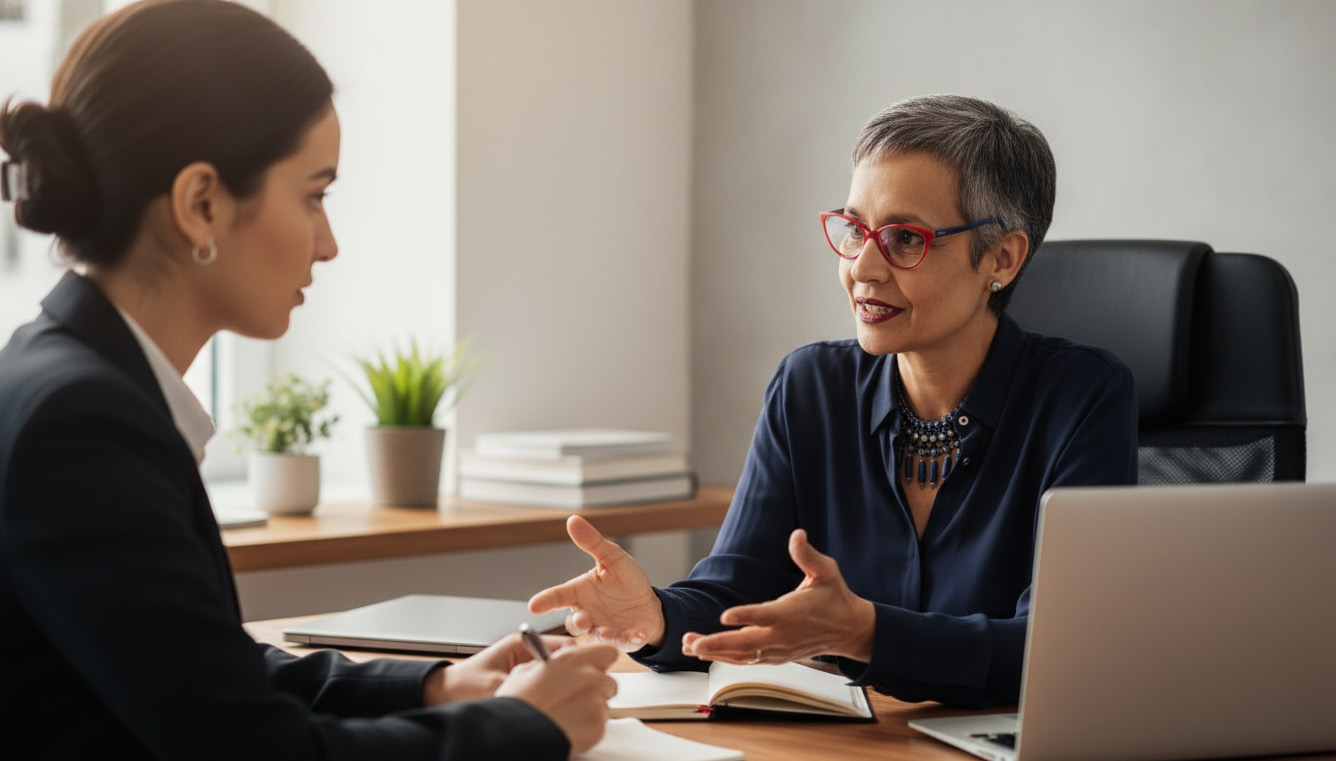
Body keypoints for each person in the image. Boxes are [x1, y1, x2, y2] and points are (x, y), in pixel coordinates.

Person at [0, 2, 616, 759]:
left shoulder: (70, 380)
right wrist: (527, 727)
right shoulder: (83, 422)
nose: (329, 244)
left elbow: (195, 671)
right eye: (314, 194)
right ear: (201, 203)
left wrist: (433, 687)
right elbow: (249, 747)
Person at [530, 94, 1137, 708]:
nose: (863, 267)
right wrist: (655, 616)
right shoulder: (808, 387)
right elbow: (740, 589)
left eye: (905, 238)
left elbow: (1060, 651)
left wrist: (867, 634)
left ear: (1002, 259)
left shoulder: (1082, 397)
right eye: (854, 230)